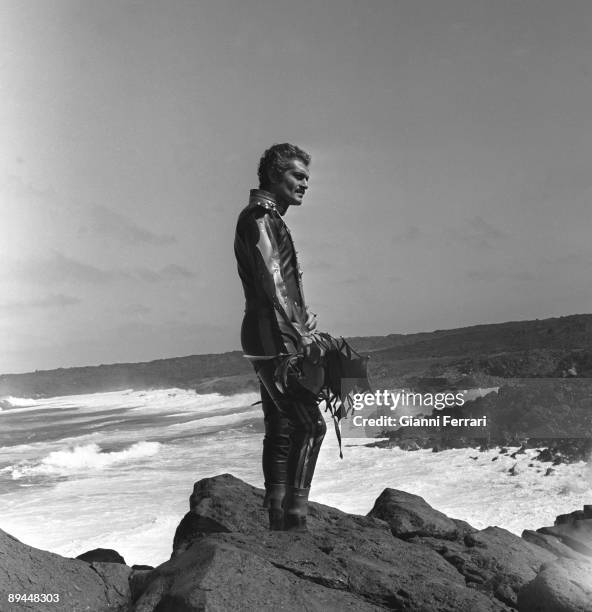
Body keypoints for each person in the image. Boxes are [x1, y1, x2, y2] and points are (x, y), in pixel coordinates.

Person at [234, 143, 326, 531]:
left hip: (263, 334)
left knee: (282, 425)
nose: (305, 184)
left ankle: (277, 516)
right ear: (275, 174)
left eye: (306, 177)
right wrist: (299, 333)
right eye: (298, 176)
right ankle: (295, 519)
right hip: (275, 338)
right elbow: (274, 280)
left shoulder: (263, 217)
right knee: (311, 426)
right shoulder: (260, 216)